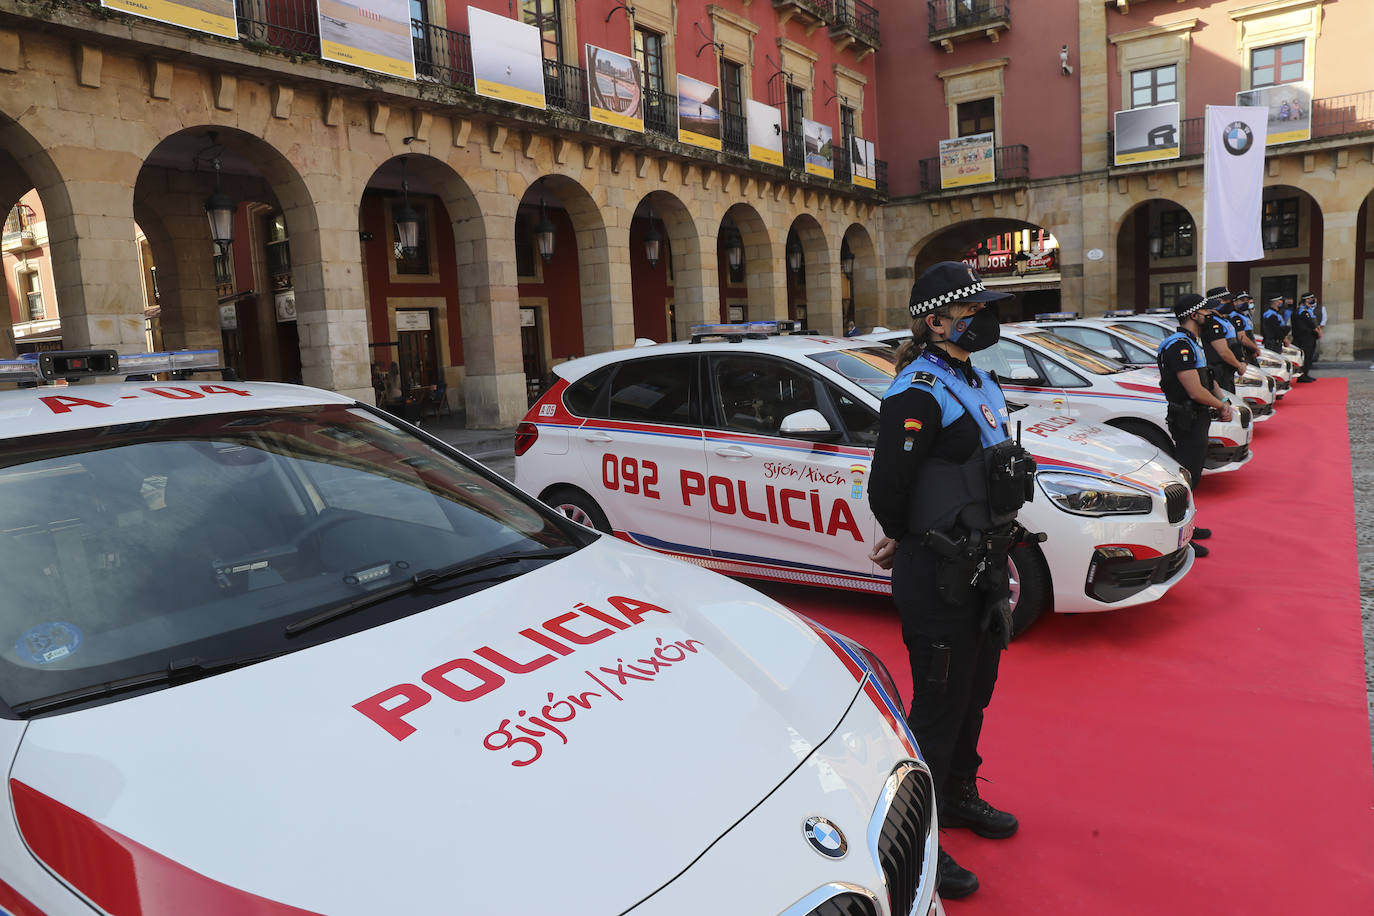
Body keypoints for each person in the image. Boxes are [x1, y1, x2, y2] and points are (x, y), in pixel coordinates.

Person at [866, 261, 1038, 900]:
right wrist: (906, 533)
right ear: (935, 321)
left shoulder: (975, 378)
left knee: (975, 694)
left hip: (984, 566)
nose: (985, 319)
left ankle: (960, 795)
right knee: (937, 709)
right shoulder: (917, 389)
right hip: (938, 570)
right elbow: (889, 482)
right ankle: (919, 844)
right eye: (971, 310)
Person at [1157, 292, 1233, 557]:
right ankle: (1180, 538)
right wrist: (1221, 406)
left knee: (1193, 477)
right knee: (1187, 480)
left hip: (1197, 417)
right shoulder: (1180, 346)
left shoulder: (1192, 342)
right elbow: (1194, 390)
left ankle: (1188, 527)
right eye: (1206, 311)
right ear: (1193, 315)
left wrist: (1223, 399)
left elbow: (1207, 380)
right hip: (1187, 419)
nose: (1210, 315)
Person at [1200, 287, 1246, 393]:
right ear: (1218, 302)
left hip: (1227, 370)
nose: (1231, 303)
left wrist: (1241, 361)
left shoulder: (1223, 320)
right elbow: (1223, 351)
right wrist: (1239, 365)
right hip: (1219, 371)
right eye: (1227, 300)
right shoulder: (1212, 323)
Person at [1226, 291, 1262, 366]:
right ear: (1235, 302)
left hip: (1250, 353)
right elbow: (1242, 338)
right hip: (1244, 354)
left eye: (1247, 301)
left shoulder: (1244, 316)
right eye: (1242, 301)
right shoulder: (1235, 317)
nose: (1245, 303)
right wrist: (1256, 349)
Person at [1292, 293, 1319, 382]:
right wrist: (1317, 330)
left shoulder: (1308, 310)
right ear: (1306, 300)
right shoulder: (1302, 311)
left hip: (1310, 337)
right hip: (1304, 338)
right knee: (1305, 356)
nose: (1313, 300)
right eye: (1311, 298)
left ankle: (1306, 374)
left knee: (1309, 356)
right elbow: (1309, 323)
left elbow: (1313, 321)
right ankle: (1302, 376)